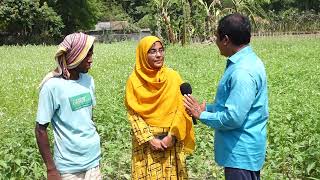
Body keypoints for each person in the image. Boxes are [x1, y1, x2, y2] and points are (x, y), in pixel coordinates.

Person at [183, 13, 269, 180]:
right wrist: (206, 108)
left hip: (240, 154)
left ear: (226, 40)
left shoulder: (242, 72)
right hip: (245, 152)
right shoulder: (251, 61)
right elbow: (233, 105)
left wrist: (201, 115)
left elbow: (233, 117)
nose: (215, 42)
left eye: (216, 37)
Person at [125, 36, 195, 180]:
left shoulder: (173, 77)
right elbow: (133, 114)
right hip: (146, 146)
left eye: (161, 50)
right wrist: (150, 139)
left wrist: (172, 136)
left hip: (171, 143)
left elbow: (182, 108)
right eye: (152, 51)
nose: (158, 55)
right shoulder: (134, 81)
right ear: (143, 55)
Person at [35, 32, 102, 180]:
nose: (91, 60)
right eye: (87, 55)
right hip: (68, 168)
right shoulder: (52, 87)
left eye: (92, 54)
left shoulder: (88, 81)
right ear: (75, 56)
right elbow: (40, 130)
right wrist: (51, 169)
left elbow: (89, 117)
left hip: (93, 161)